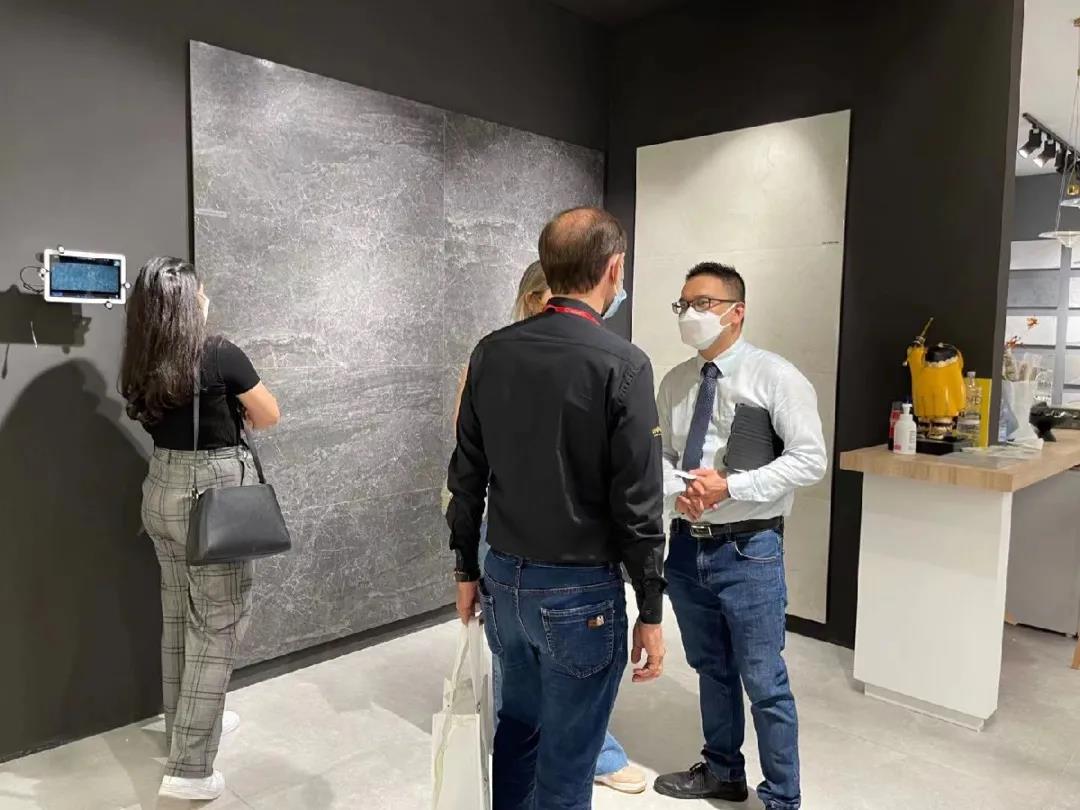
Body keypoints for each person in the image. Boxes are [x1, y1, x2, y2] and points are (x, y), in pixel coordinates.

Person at [447, 208, 666, 810]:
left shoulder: (491, 353)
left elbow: (466, 475)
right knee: (568, 764)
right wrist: (650, 609)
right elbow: (639, 502)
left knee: (517, 732)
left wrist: (465, 569)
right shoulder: (623, 363)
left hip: (504, 580)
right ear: (614, 269)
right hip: (579, 593)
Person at [651, 262, 827, 810]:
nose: (690, 314)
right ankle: (723, 772)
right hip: (687, 544)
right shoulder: (675, 382)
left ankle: (782, 798)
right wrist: (676, 491)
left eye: (703, 303)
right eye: (683, 304)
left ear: (736, 311)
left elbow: (810, 459)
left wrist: (730, 486)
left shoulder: (776, 376)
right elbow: (662, 455)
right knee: (711, 668)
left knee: (764, 681)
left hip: (749, 548)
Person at [120, 257, 280, 802]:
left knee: (178, 615)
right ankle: (190, 769)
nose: (207, 296)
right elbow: (269, 414)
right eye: (201, 291)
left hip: (160, 491)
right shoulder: (218, 353)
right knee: (217, 625)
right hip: (209, 495)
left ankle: (184, 724)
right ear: (188, 302)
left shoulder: (142, 357)